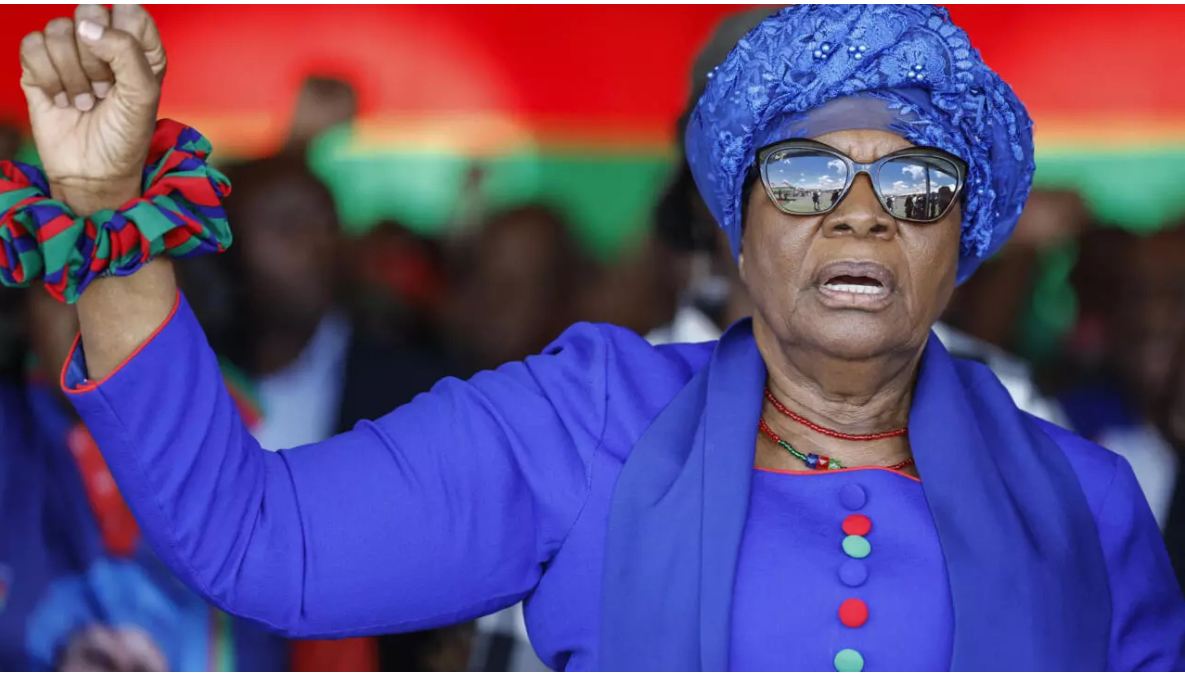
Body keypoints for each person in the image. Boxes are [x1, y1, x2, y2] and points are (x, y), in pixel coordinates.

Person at [13, 4, 1184, 672]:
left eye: (917, 184)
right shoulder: (584, 422)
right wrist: (110, 216)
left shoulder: (1086, 501)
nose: (863, 212)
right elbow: (257, 538)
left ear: (958, 240)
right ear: (735, 229)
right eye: (807, 173)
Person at [0, 288, 288, 671]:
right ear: (22, 314)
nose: (92, 312)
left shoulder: (260, 460)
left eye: (121, 272)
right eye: (59, 287)